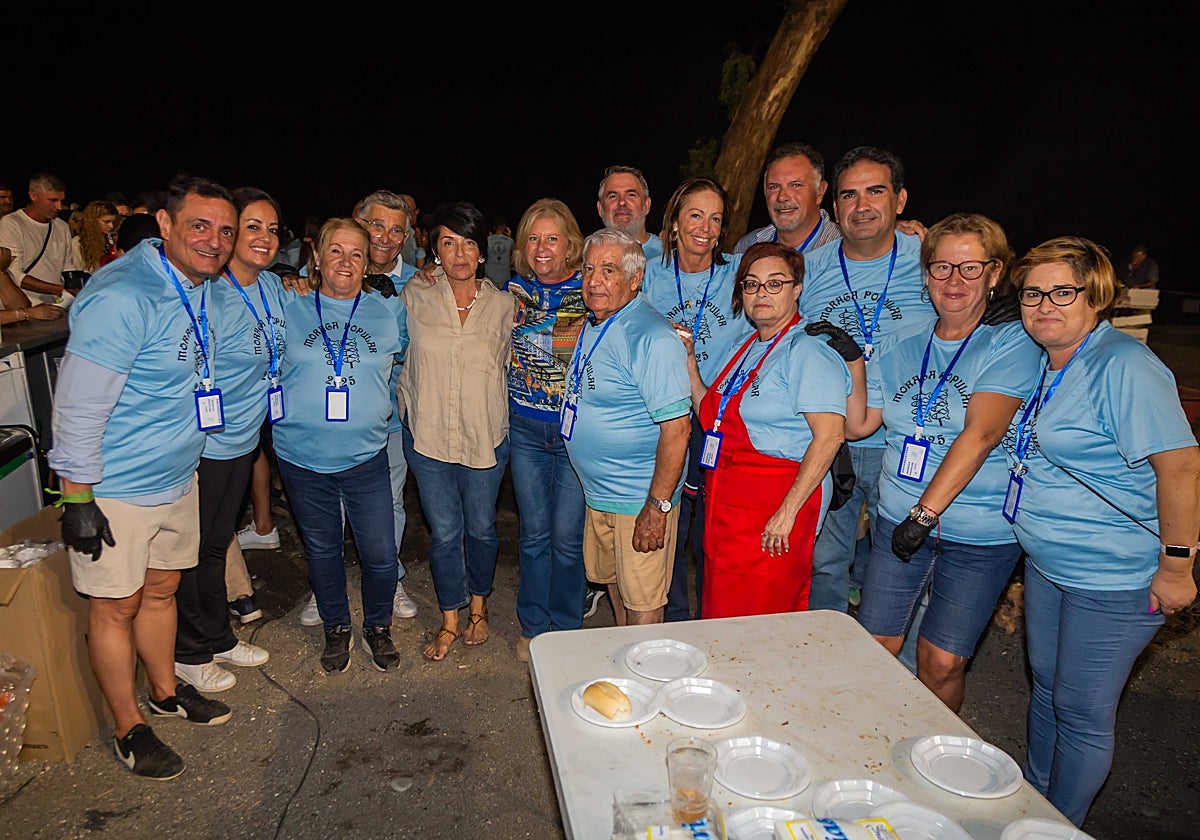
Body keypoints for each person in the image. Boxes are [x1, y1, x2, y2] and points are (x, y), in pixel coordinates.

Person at [47, 174, 239, 779]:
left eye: (224, 231)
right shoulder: (125, 295)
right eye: (200, 226)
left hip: (177, 475)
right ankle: (130, 727)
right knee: (117, 605)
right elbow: (76, 405)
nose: (214, 240)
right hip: (118, 489)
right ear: (165, 223)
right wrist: (76, 496)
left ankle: (165, 691)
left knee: (161, 590)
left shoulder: (194, 282)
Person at [1007, 236, 1199, 826]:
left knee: (1081, 708)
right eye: (1033, 293)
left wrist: (1176, 567)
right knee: (1045, 688)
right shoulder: (1052, 361)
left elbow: (1181, 466)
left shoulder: (1124, 363)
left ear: (1096, 296)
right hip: (1050, 566)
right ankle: (1033, 801)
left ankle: (1057, 827)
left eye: (1062, 291)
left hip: (1114, 574)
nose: (1045, 305)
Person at [823, 212, 1042, 712]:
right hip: (897, 518)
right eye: (942, 268)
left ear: (995, 273)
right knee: (875, 648)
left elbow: (982, 433)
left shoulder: (1012, 342)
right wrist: (854, 361)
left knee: (941, 661)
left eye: (970, 268)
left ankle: (934, 755)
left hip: (977, 531)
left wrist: (925, 514)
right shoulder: (904, 342)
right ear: (926, 275)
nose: (954, 281)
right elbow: (861, 426)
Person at [681, 241, 849, 616]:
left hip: (775, 503)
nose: (761, 293)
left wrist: (787, 512)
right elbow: (712, 414)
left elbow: (830, 436)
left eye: (775, 283)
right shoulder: (747, 344)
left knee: (765, 618)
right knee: (722, 612)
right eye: (751, 284)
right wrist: (689, 360)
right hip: (728, 505)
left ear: (796, 289)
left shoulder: (807, 350)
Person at [800, 146, 934, 614]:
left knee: (900, 565)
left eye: (875, 192)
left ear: (900, 199)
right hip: (830, 440)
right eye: (848, 196)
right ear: (834, 208)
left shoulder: (931, 262)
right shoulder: (809, 271)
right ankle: (828, 659)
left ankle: (902, 675)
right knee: (824, 562)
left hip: (905, 442)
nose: (861, 206)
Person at [271, 218, 408, 674]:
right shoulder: (288, 307)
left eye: (355, 253)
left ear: (367, 262)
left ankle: (377, 625)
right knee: (322, 549)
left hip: (366, 456)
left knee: (381, 553)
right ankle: (336, 626)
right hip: (300, 457)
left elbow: (404, 362)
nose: (346, 262)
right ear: (316, 257)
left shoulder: (387, 312)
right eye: (336, 251)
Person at [171, 188, 287, 691]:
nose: (265, 237)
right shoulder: (205, 293)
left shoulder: (273, 288)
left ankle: (217, 636)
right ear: (230, 234)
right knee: (191, 551)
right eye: (253, 226)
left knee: (216, 545)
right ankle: (189, 652)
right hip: (205, 442)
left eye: (273, 229)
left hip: (244, 436)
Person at [398, 201, 514, 662]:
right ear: (435, 251)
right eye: (448, 242)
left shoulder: (506, 305)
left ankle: (479, 610)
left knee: (482, 529)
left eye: (468, 243)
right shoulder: (414, 294)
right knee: (445, 532)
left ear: (482, 251)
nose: (459, 253)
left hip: (485, 435)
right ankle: (450, 617)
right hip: (427, 435)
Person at [563, 227, 692, 626]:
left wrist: (657, 506)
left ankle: (644, 680)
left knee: (644, 602)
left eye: (608, 270)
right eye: (588, 269)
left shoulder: (651, 336)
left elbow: (677, 429)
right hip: (601, 495)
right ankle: (625, 656)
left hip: (638, 499)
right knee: (616, 585)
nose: (594, 280)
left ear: (635, 279)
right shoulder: (597, 320)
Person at [641, 177, 753, 621]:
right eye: (695, 215)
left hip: (718, 422)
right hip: (665, 423)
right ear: (672, 223)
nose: (705, 228)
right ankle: (673, 620)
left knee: (714, 533)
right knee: (667, 525)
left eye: (715, 219)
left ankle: (715, 623)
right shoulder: (648, 274)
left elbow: (804, 267)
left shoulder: (740, 272)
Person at [503, 198, 588, 662]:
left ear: (570, 244)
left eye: (552, 237)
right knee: (534, 535)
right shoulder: (510, 293)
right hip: (527, 431)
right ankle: (534, 626)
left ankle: (568, 627)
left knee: (567, 539)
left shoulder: (591, 291)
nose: (541, 247)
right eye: (533, 237)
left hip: (575, 435)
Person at [733, 142, 843, 256]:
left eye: (795, 185)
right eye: (774, 187)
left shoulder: (846, 248)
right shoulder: (747, 247)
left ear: (820, 191)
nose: (782, 197)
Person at [0, 172, 78, 306]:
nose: (59, 207)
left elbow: (67, 266)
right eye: (53, 200)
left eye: (61, 201)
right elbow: (14, 274)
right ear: (33, 195)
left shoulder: (61, 226)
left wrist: (74, 289)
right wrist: (58, 289)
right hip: (21, 307)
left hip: (56, 306)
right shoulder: (12, 223)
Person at [596, 165, 664, 262]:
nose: (622, 202)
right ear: (600, 209)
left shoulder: (668, 255)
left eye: (631, 195)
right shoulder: (589, 258)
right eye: (612, 196)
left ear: (646, 205)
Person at [71, 199, 120, 273]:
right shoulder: (78, 243)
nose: (111, 226)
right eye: (106, 222)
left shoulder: (111, 240)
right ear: (93, 221)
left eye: (113, 222)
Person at [485, 214, 515, 286]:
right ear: (504, 226)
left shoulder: (487, 240)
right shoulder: (510, 241)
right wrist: (510, 237)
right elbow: (515, 254)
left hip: (489, 279)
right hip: (504, 278)